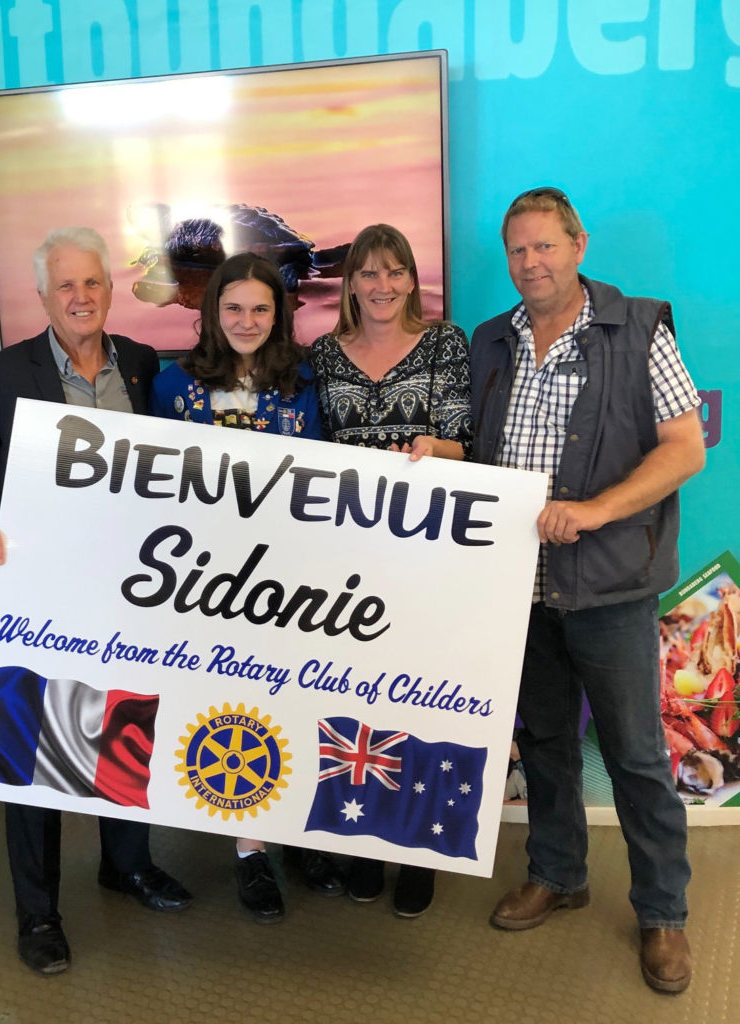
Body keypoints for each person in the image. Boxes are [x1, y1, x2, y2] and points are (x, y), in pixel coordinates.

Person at [0, 226, 193, 975]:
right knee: (32, 755)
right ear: (42, 296)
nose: (81, 297)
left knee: (126, 727)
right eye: (66, 285)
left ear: (110, 291)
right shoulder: (1, 373)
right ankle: (38, 913)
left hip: (132, 594)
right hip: (40, 598)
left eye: (93, 284)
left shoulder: (141, 365)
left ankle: (126, 864)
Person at [470, 187, 705, 994]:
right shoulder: (490, 342)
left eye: (545, 246)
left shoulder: (640, 328)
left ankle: (662, 913)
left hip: (610, 587)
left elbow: (685, 448)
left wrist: (598, 510)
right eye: (517, 251)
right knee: (545, 744)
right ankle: (558, 873)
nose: (530, 263)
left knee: (638, 759)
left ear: (578, 245)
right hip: (521, 589)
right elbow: (481, 451)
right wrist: (441, 448)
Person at [150, 251, 344, 922]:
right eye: (233, 307)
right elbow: (158, 489)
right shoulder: (172, 386)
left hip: (291, 580)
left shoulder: (306, 383)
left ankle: (293, 836)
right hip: (207, 582)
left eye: (262, 308)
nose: (247, 320)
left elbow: (323, 475)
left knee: (295, 701)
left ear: (280, 314)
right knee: (234, 708)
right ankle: (249, 850)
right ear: (213, 312)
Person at [309, 223, 473, 917]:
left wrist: (436, 447)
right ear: (349, 283)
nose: (380, 286)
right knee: (355, 704)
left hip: (428, 561)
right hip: (346, 567)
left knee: (420, 701)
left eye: (393, 272)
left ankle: (417, 848)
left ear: (412, 280)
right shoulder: (321, 354)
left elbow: (467, 447)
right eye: (367, 273)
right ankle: (364, 838)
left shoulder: (445, 344)